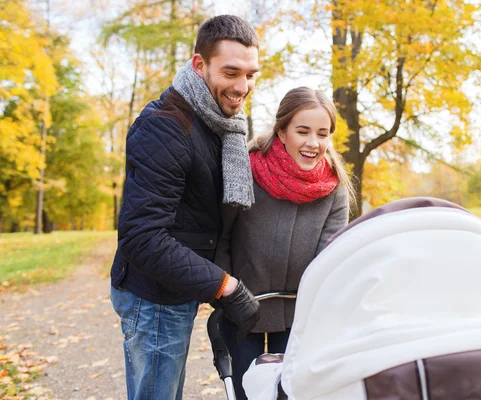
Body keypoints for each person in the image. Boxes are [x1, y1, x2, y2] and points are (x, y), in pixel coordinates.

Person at [109, 15, 261, 400]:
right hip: (153, 296)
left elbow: (197, 218)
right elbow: (142, 237)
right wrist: (223, 285)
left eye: (250, 74)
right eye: (231, 72)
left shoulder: (217, 123)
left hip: (176, 290)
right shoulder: (165, 126)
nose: (242, 87)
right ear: (199, 65)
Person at [215, 86, 355, 399]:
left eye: (322, 133)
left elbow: (329, 257)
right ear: (282, 132)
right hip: (241, 304)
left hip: (298, 313)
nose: (313, 143)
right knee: (244, 391)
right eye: (302, 131)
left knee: (291, 392)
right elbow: (222, 237)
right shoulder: (247, 171)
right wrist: (226, 289)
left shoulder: (333, 187)